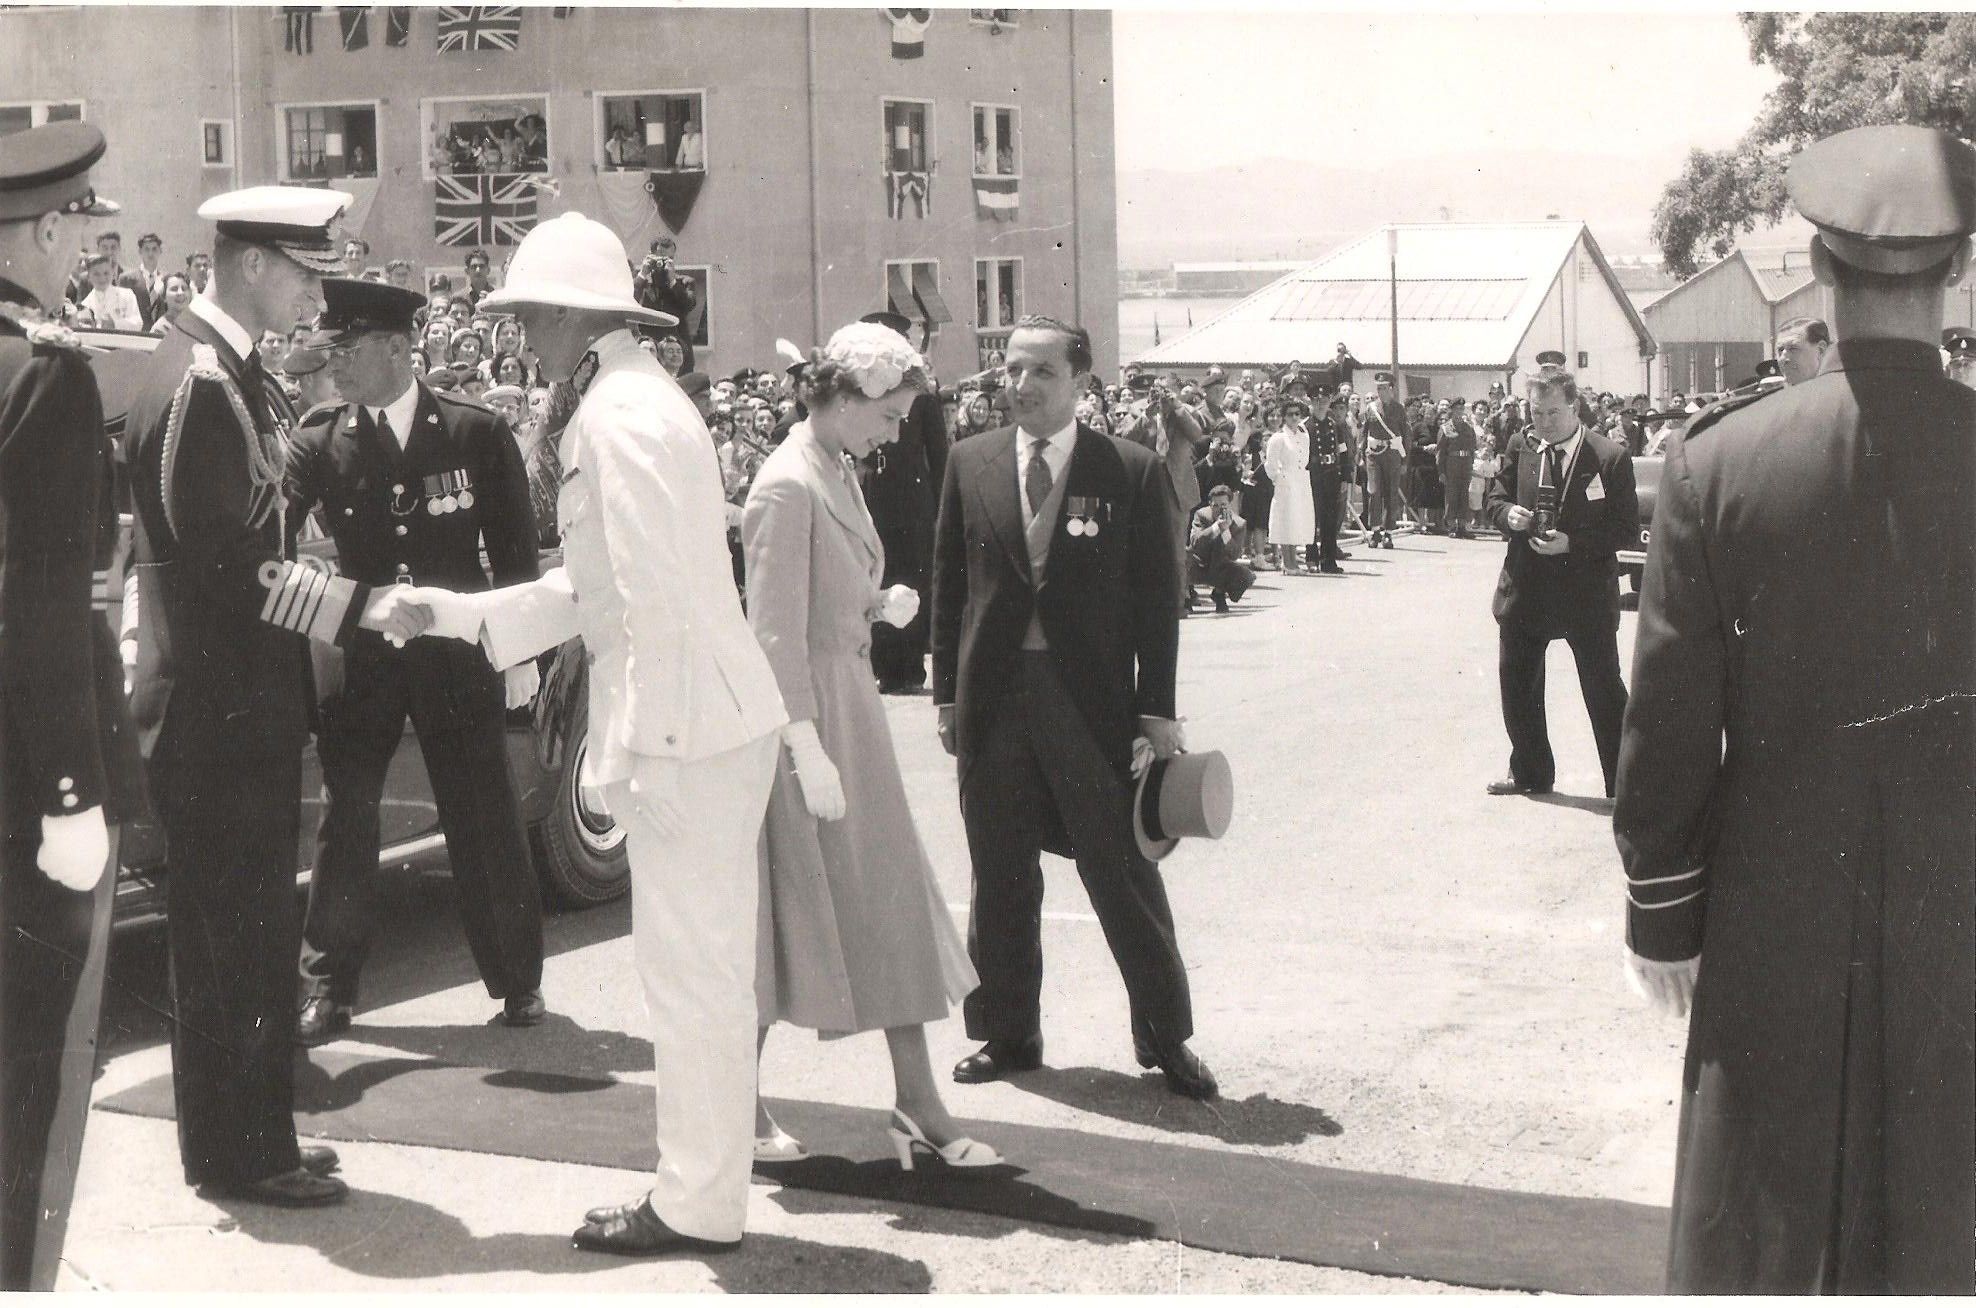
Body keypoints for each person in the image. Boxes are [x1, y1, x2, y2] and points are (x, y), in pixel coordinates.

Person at [1615, 123, 1976, 1295]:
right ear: (1958, 268)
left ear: (1816, 277)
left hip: (1775, 905)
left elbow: (1665, 723)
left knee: (1759, 1239)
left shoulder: (1718, 465)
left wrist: (1661, 913)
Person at [411, 212, 788, 1256]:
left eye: (531, 315)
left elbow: (655, 593)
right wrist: (448, 613)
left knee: (693, 975)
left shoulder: (619, 417)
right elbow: (591, 587)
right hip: (697, 720)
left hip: (685, 729)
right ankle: (701, 1190)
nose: (522, 334)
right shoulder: (629, 402)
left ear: (577, 316)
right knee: (695, 973)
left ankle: (699, 1202)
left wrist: (631, 748)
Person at [123, 185, 434, 1209]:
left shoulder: (229, 374)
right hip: (216, 713)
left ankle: (260, 1134)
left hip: (236, 708)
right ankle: (238, 1153)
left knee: (249, 939)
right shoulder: (204, 381)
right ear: (253, 264)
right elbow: (236, 567)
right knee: (228, 944)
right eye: (305, 274)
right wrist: (363, 610)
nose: (314, 297)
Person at [931, 315, 1215, 1101]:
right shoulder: (970, 461)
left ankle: (1166, 1037)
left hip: (1090, 707)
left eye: (1040, 373)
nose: (1019, 386)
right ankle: (1006, 1032)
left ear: (1082, 384)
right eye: (1010, 370)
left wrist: (1156, 713)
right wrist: (948, 695)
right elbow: (951, 585)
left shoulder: (1129, 469)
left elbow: (1160, 604)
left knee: (1121, 870)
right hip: (993, 705)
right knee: (1000, 872)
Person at [743, 320, 1001, 1172]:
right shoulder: (785, 484)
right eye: (888, 415)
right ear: (843, 398)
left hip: (847, 705)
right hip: (806, 724)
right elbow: (772, 637)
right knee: (786, 911)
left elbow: (820, 601)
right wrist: (804, 748)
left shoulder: (835, 467)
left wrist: (870, 604)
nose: (896, 433)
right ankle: (732, 1103)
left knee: (887, 898)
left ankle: (916, 1100)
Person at [286, 278, 547, 1045]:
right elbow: (270, 544)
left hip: (454, 655)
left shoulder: (473, 433)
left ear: (398, 348)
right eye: (330, 351)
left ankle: (518, 982)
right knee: (349, 819)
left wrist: (519, 651)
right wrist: (345, 600)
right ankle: (327, 991)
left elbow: (515, 557)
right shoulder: (317, 439)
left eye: (348, 350)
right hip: (364, 658)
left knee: (484, 816)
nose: (334, 366)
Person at [0, 121, 143, 1291]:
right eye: (75, 235)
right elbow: (40, 600)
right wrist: (69, 792)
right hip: (17, 782)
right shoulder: (43, 372)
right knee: (17, 1080)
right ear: (43, 232)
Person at [1482, 367, 1638, 799]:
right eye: (1535, 412)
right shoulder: (1522, 444)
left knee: (1604, 688)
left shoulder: (1609, 457)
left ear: (1574, 406)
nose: (1543, 422)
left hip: (1584, 594)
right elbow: (1494, 495)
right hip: (1526, 590)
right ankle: (1530, 772)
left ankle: (1625, 781)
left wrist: (1574, 543)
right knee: (1517, 685)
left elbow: (1625, 527)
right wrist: (1505, 514)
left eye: (1552, 413)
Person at [857, 310, 950, 695]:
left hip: (912, 500)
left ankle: (909, 666)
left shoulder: (921, 391)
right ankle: (881, 663)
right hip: (874, 496)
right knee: (876, 574)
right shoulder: (862, 388)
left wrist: (944, 504)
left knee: (912, 579)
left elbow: (938, 451)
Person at [1115, 372, 1205, 615]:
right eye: (1158, 389)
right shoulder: (1140, 411)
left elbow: (1197, 434)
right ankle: (1147, 601)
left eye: (1166, 390)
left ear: (1176, 391)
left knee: (1176, 547)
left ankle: (1176, 602)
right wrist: (1147, 416)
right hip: (1148, 483)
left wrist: (1175, 407)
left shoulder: (1185, 411)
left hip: (1176, 486)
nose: (1161, 394)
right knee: (1145, 544)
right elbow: (1125, 438)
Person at [1263, 397, 1313, 574]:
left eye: (1297, 414)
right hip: (1285, 481)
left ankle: (1294, 563)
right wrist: (1278, 479)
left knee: (1296, 520)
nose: (1294, 417)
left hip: (1300, 481)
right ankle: (1287, 562)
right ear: (1284, 417)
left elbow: (1304, 459)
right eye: (1290, 414)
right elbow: (1270, 464)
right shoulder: (1278, 438)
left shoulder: (1304, 436)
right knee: (1285, 521)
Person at [1188, 484, 1254, 611]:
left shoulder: (1239, 523)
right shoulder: (1201, 515)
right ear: (1209, 504)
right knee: (1183, 559)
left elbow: (1235, 554)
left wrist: (1225, 532)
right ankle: (1187, 595)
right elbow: (1194, 542)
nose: (1219, 509)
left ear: (1230, 504)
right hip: (1199, 563)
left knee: (1246, 576)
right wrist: (1216, 527)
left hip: (1220, 566)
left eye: (1223, 505)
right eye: (1215, 505)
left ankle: (1219, 593)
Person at [1305, 390, 1350, 573]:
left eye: (1324, 400)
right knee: (1312, 518)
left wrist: (1345, 477)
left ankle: (1329, 560)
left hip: (1332, 474)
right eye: (1317, 400)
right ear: (1312, 402)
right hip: (1313, 475)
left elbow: (1344, 452)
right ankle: (1311, 557)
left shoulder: (1334, 426)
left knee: (1330, 519)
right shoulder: (1306, 426)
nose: (1320, 404)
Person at [1362, 371, 1407, 547]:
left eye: (1383, 388)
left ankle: (1388, 532)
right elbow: (1364, 432)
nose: (1380, 391)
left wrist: (1404, 460)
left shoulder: (1399, 409)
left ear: (1391, 389)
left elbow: (1406, 435)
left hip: (1393, 454)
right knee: (1373, 491)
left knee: (1391, 493)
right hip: (1374, 455)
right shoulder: (1371, 408)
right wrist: (1361, 454)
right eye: (1378, 388)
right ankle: (1375, 531)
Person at [1438, 397, 1477, 538]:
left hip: (1465, 463)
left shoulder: (1468, 428)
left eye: (1462, 409)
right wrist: (1441, 471)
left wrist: (1470, 465)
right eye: (1457, 409)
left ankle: (1462, 526)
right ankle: (1451, 526)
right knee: (1452, 495)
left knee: (1464, 495)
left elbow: (1473, 448)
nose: (1459, 412)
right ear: (1452, 410)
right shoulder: (1445, 427)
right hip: (1451, 463)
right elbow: (1440, 452)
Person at [76, 251, 140, 329]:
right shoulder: (86, 304)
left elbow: (138, 323)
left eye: (106, 273)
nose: (102, 278)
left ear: (113, 274)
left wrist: (115, 324)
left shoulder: (127, 295)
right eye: (96, 274)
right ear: (88, 277)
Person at [123, 230, 167, 328]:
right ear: (140, 252)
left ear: (160, 251)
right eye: (146, 249)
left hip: (160, 332)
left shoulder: (167, 279)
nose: (150, 254)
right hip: (137, 332)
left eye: (154, 249)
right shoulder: (127, 279)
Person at [1772, 315, 1831, 386]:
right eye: (1780, 350)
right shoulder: (1778, 396)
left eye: (1793, 348)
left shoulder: (1841, 392)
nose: (1783, 359)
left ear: (1821, 350)